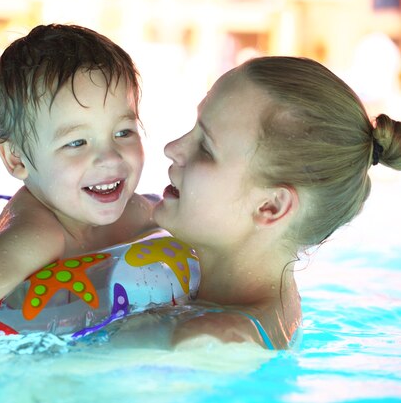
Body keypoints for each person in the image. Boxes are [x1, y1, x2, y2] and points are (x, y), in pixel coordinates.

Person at [115, 56, 401, 350]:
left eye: (205, 149)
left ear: (271, 207)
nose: (172, 148)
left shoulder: (207, 343)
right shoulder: (271, 301)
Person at [0, 24, 157, 341]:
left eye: (123, 132)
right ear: (16, 159)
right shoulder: (40, 234)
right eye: (77, 143)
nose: (111, 158)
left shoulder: (135, 211)